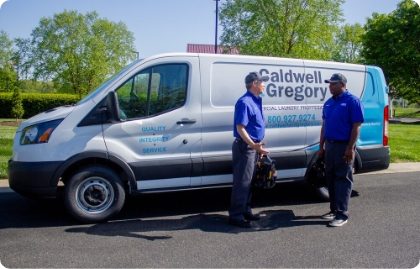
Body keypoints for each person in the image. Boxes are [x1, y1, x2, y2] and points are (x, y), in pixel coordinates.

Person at [318, 73, 364, 227]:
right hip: (330, 146)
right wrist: (321, 147)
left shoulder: (352, 101)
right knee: (330, 178)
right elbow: (324, 126)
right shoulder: (329, 103)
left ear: (342, 84)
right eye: (329, 84)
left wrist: (350, 148)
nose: (330, 86)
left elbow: (356, 126)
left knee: (343, 179)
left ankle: (342, 214)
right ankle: (333, 209)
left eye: (333, 84)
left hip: (344, 145)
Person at [228, 72, 270, 228]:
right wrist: (253, 145)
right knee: (242, 182)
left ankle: (245, 210)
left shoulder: (256, 100)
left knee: (250, 181)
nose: (264, 84)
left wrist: (257, 146)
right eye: (262, 82)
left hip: (253, 147)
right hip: (245, 147)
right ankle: (236, 216)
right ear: (254, 83)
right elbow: (240, 128)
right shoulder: (245, 102)